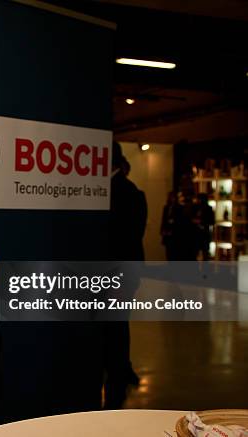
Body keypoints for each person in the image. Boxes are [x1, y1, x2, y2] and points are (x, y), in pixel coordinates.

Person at [103, 142, 147, 409]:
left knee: (114, 326)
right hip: (121, 272)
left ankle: (117, 379)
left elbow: (125, 239)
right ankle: (120, 370)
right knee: (117, 324)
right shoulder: (129, 192)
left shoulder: (123, 193)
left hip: (117, 273)